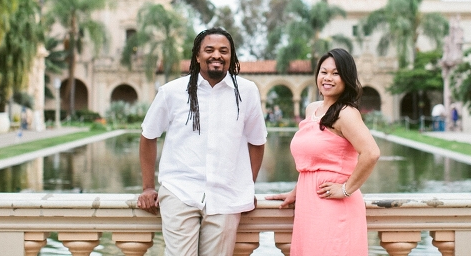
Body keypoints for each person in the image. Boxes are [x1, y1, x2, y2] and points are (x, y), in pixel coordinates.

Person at [137, 28, 267, 256]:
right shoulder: (172, 92)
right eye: (209, 50)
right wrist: (148, 187)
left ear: (231, 57)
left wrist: (247, 186)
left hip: (226, 196)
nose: (216, 55)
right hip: (180, 191)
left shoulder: (247, 92)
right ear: (197, 56)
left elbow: (257, 141)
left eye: (223, 51)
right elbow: (148, 136)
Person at [266, 48, 380, 256]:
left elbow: (371, 153)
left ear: (346, 78)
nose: (327, 78)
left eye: (335, 73)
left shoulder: (346, 113)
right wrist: (298, 190)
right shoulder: (313, 109)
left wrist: (346, 189)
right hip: (310, 207)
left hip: (334, 207)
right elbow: (314, 161)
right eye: (323, 72)